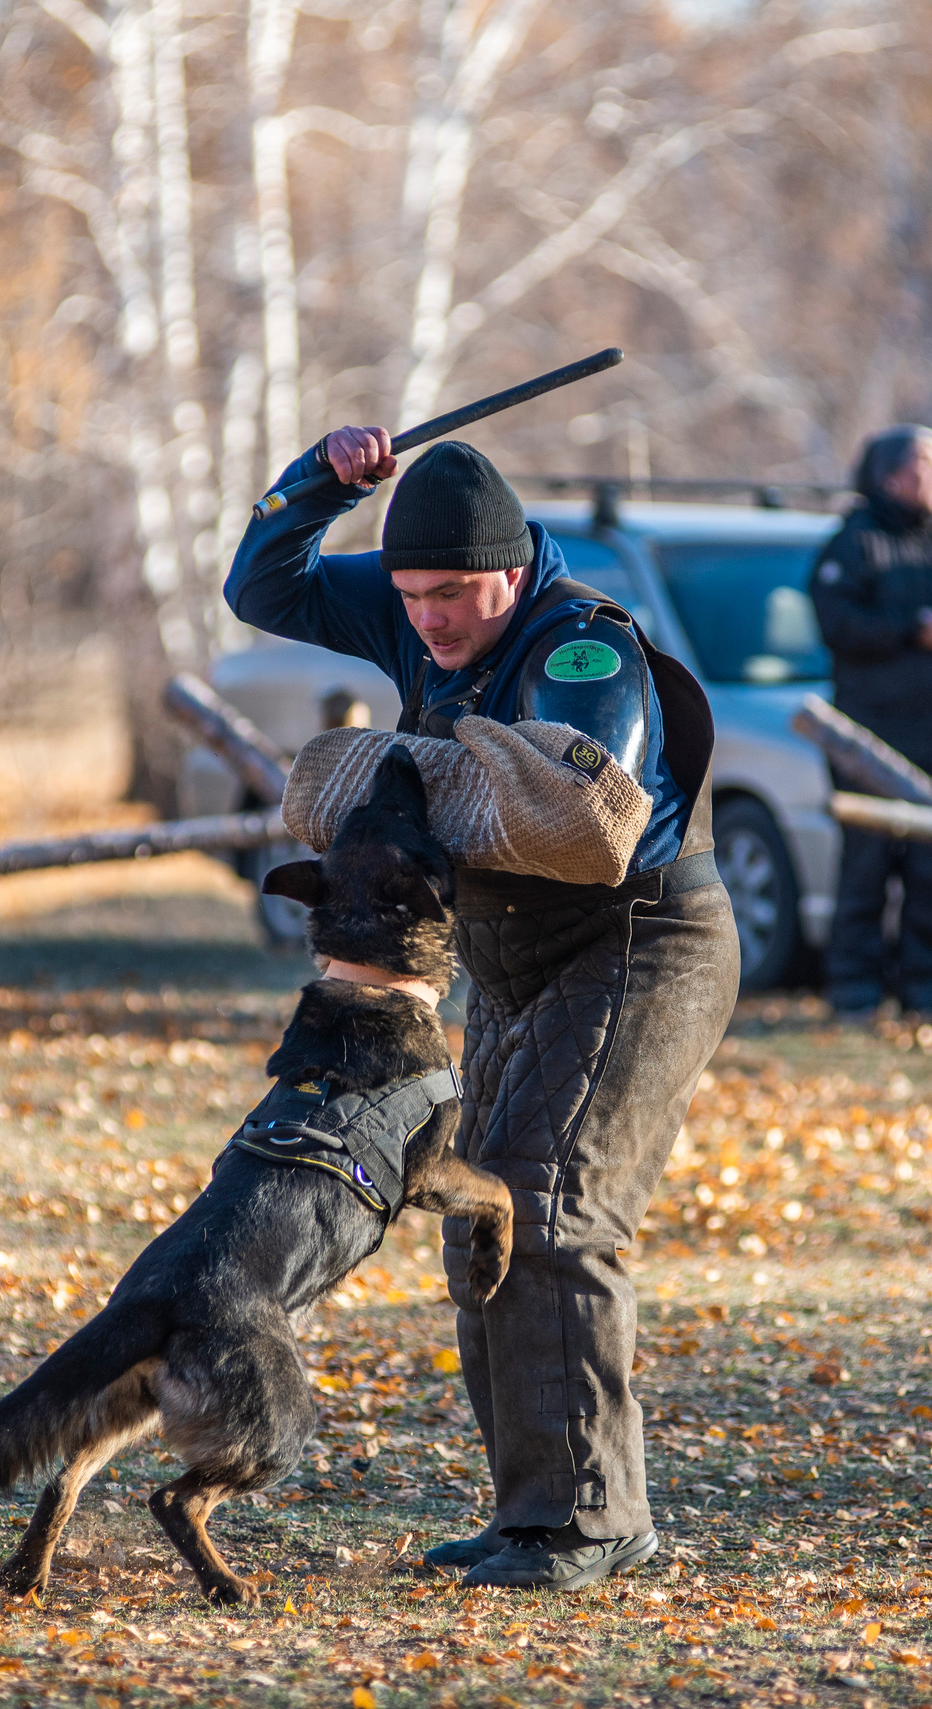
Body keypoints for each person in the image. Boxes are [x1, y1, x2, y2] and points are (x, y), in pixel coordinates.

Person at [226, 428, 741, 1591]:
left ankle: (597, 1521)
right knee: (482, 1216)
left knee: (549, 1202)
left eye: (452, 595)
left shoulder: (581, 650)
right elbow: (262, 582)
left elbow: (574, 815)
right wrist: (319, 481)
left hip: (640, 942)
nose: (429, 622)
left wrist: (387, 763)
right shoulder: (423, 599)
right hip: (515, 962)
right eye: (408, 596)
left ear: (512, 569)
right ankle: (532, 1515)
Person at [808, 426, 932, 1021]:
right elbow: (840, 627)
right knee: (867, 860)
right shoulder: (851, 547)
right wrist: (915, 628)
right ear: (889, 477)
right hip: (869, 734)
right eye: (926, 466)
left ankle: (928, 989)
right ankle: (855, 991)